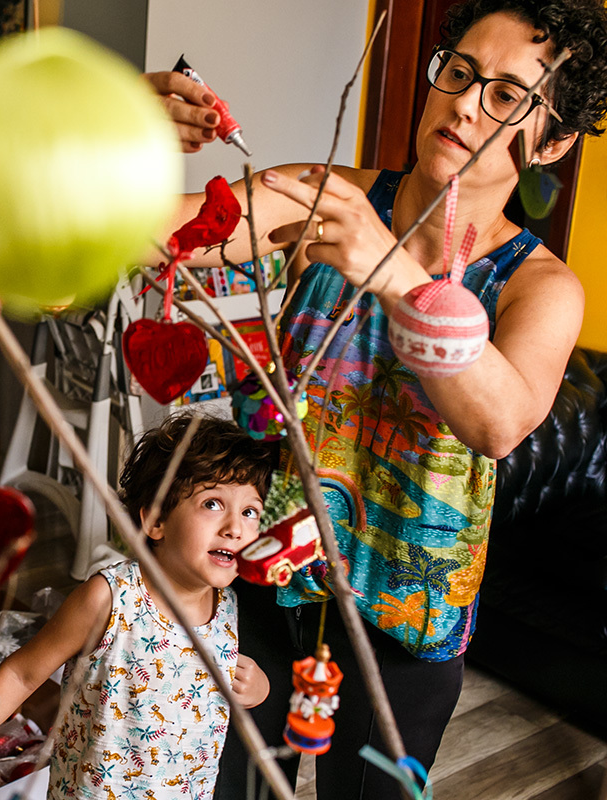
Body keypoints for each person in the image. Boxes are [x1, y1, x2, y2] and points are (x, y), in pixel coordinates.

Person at [144, 1, 607, 797]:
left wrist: (392, 271)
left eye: (507, 96)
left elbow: (497, 422)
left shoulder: (539, 287)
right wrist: (130, 136)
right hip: (263, 573)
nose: (465, 104)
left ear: (553, 143)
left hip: (405, 617)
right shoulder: (324, 198)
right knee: (227, 785)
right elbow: (155, 234)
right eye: (458, 71)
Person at [0, 415, 274, 799]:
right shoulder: (111, 599)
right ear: (155, 520)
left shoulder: (227, 608)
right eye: (212, 504)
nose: (235, 528)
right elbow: (20, 675)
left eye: (250, 511)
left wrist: (259, 688)